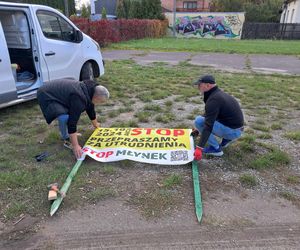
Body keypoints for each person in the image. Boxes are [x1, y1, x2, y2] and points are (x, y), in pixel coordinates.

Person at [37, 79, 109, 159]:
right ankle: (65, 137)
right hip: (47, 94)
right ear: (95, 97)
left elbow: (90, 108)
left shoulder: (91, 90)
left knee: (68, 113)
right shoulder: (79, 99)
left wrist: (96, 124)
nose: (99, 104)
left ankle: (70, 135)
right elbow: (72, 123)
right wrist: (76, 145)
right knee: (64, 117)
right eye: (100, 102)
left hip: (58, 91)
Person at [192, 74, 244, 160]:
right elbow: (210, 115)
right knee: (202, 121)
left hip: (233, 131)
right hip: (237, 129)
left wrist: (199, 148)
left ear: (207, 85)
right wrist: (198, 130)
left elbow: (208, 125)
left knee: (199, 121)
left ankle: (216, 149)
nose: (198, 87)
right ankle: (226, 140)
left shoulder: (214, 99)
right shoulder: (218, 94)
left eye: (199, 85)